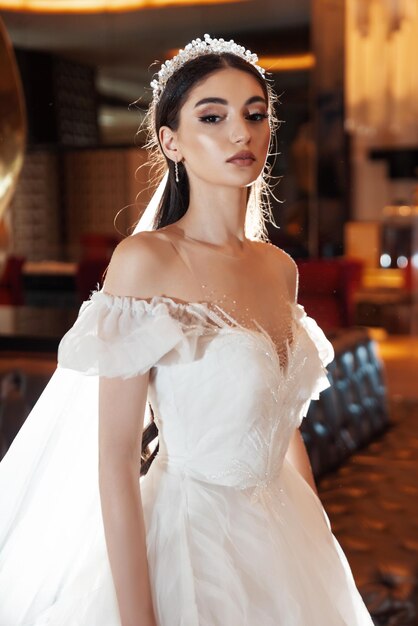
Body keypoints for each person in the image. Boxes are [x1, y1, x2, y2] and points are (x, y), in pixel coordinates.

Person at [0, 34, 374, 626]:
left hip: (285, 533)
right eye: (212, 116)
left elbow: (282, 422)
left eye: (255, 115)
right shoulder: (147, 261)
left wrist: (317, 543)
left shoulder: (280, 268)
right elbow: (117, 458)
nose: (240, 133)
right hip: (192, 541)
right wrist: (138, 620)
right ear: (170, 141)